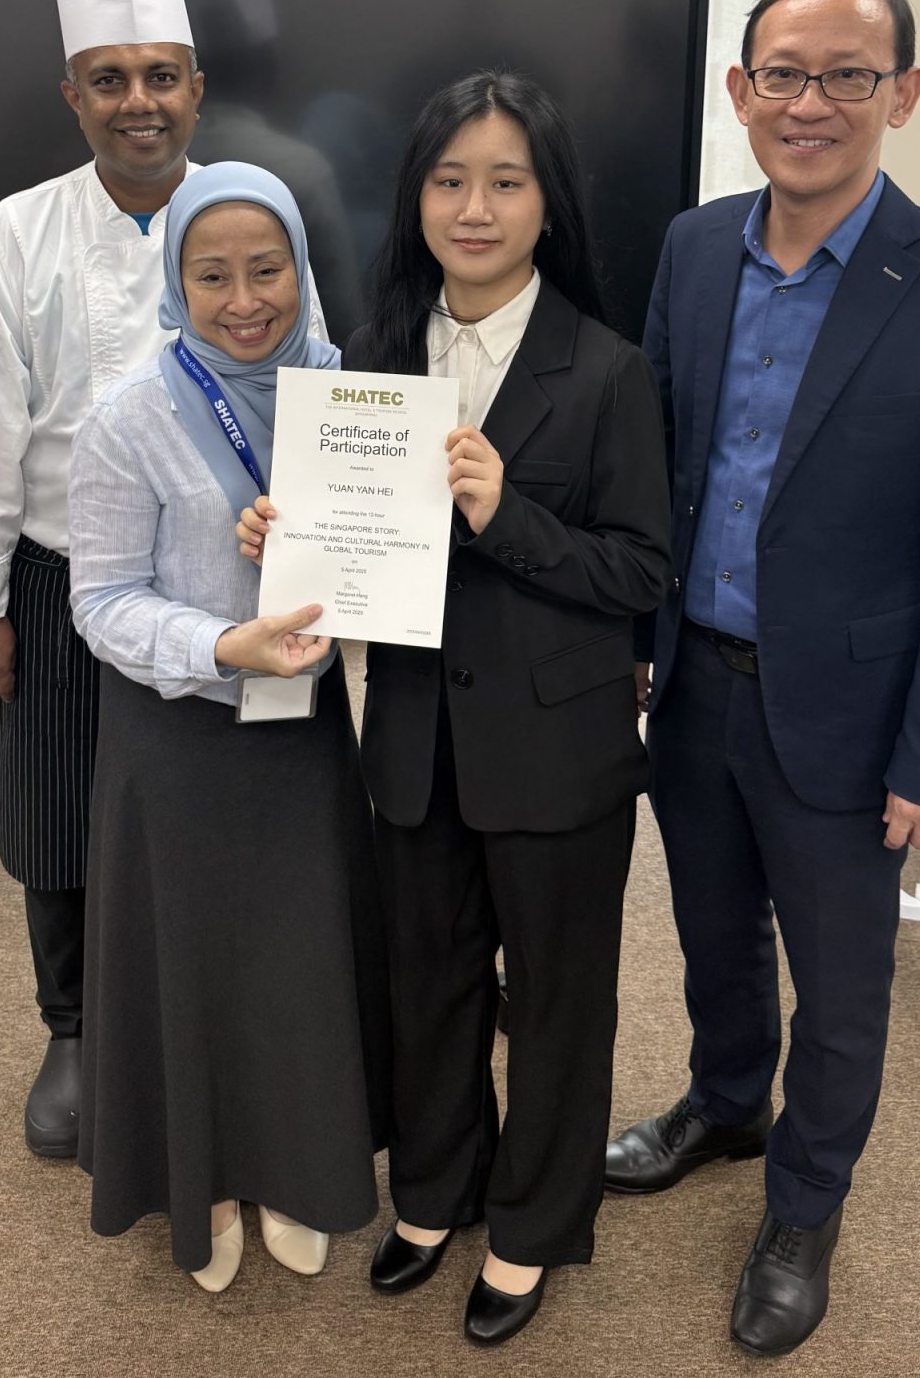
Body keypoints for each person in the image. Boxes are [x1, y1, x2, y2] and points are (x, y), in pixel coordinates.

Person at [606, 0, 920, 1357]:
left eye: (847, 75)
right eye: (784, 75)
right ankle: (728, 1104)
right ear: (741, 92)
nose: (811, 103)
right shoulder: (693, 249)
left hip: (855, 715)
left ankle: (805, 1205)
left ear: (901, 95)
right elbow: (656, 464)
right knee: (712, 936)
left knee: (844, 987)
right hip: (695, 686)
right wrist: (636, 641)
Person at [240, 71, 672, 1347]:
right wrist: (288, 538)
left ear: (549, 203)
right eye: (449, 179)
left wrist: (506, 513)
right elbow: (353, 553)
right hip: (416, 734)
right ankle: (433, 1193)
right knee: (425, 979)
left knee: (556, 996)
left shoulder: (608, 368)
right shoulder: (370, 355)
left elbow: (641, 572)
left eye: (505, 181)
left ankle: (533, 1224)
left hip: (559, 743)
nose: (474, 207)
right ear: (415, 197)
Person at [67, 163, 390, 1292]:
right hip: (178, 738)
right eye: (212, 275)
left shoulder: (351, 399)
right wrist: (220, 642)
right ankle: (199, 1173)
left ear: (302, 268)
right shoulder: (128, 417)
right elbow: (100, 600)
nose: (244, 300)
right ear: (175, 281)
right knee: (192, 966)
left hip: (304, 736)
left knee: (298, 960)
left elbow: (386, 562)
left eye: (268, 269)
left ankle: (300, 1167)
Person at [0, 0, 205, 1159]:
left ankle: (200, 1012)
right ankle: (77, 1026)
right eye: (110, 78)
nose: (137, 101)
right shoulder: (11, 237)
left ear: (196, 84)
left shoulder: (254, 210)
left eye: (160, 75)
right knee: (53, 813)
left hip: (215, 581)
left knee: (211, 810)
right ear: (73, 95)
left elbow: (315, 387)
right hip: (55, 573)